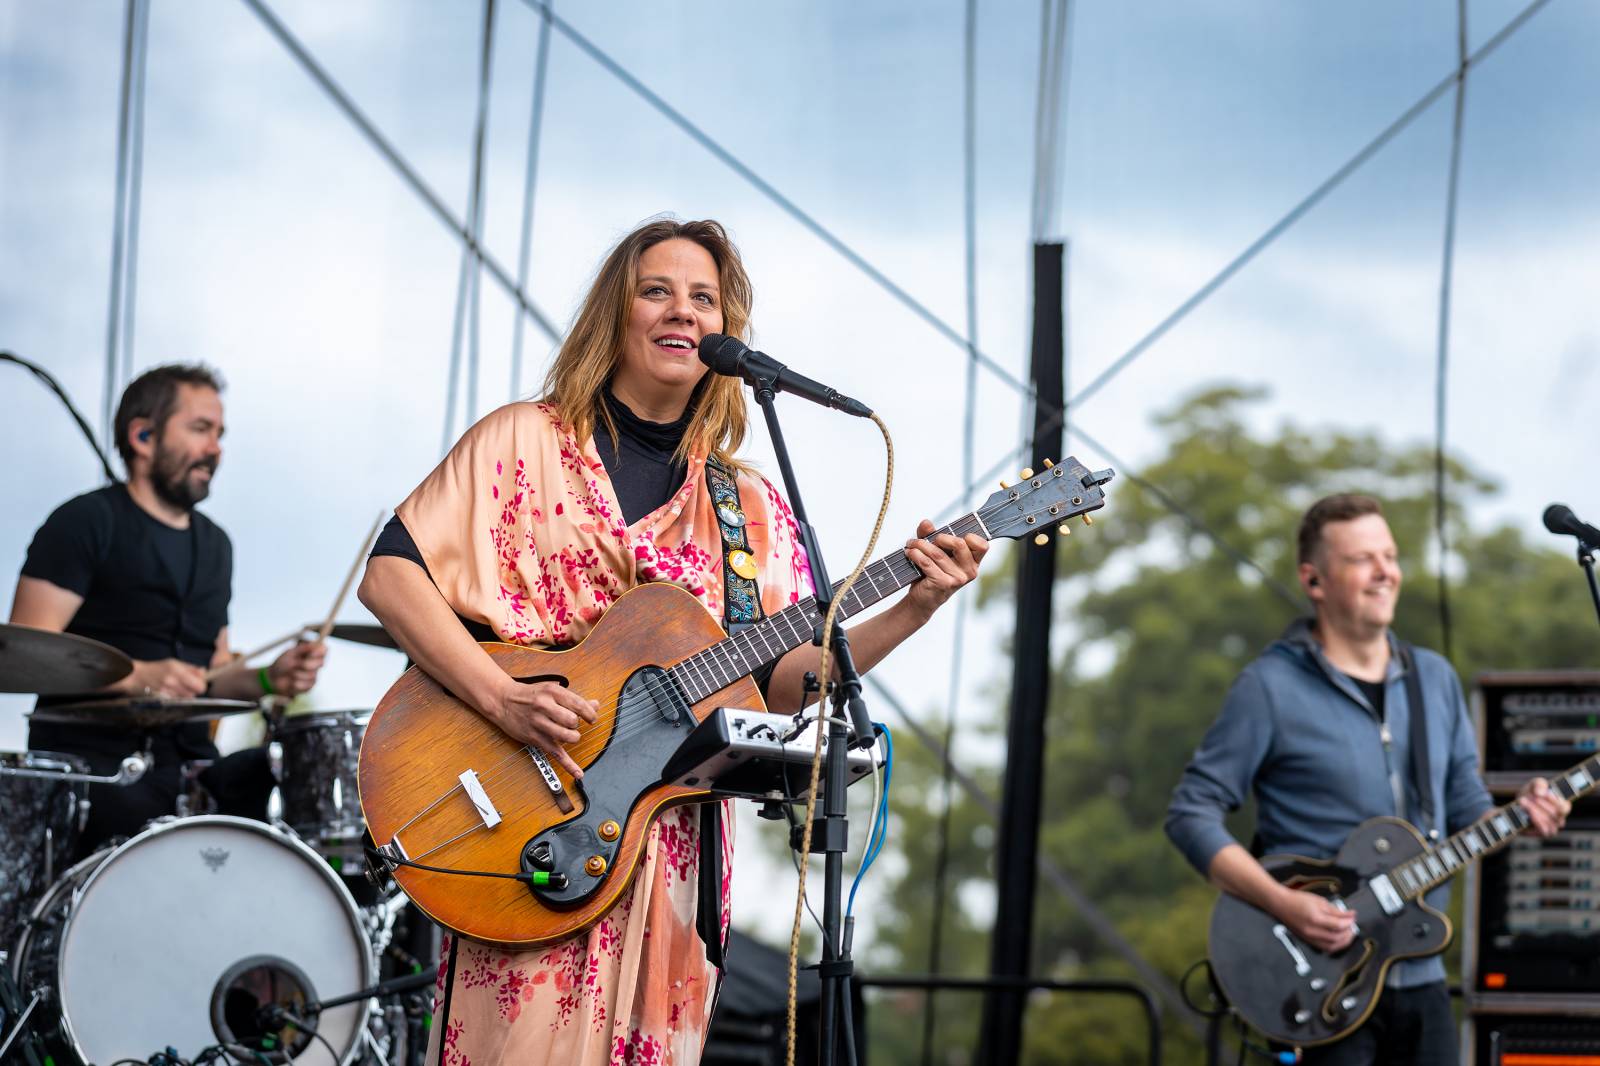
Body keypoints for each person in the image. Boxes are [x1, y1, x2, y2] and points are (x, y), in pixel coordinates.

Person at [358, 217, 987, 1063]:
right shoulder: (523, 441)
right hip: (516, 812)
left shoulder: (747, 504)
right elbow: (391, 577)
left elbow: (776, 684)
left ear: (727, 334)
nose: (680, 312)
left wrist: (913, 609)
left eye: (704, 299)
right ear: (616, 315)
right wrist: (500, 696)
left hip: (670, 851)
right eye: (657, 290)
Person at [1165, 493, 1569, 1064]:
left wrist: (1522, 814)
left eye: (1390, 555)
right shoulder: (1269, 687)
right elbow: (1190, 815)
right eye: (1362, 560)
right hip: (1316, 983)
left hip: (1420, 974)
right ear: (1315, 581)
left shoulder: (1435, 678)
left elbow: (1467, 806)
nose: (1386, 572)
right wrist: (1284, 904)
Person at [9, 363, 326, 853]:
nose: (216, 448)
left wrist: (268, 679)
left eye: (220, 434)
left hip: (191, 774)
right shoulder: (84, 522)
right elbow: (26, 652)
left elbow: (214, 672)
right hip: (95, 778)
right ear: (142, 436)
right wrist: (138, 676)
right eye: (200, 429)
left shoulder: (217, 546)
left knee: (271, 793)